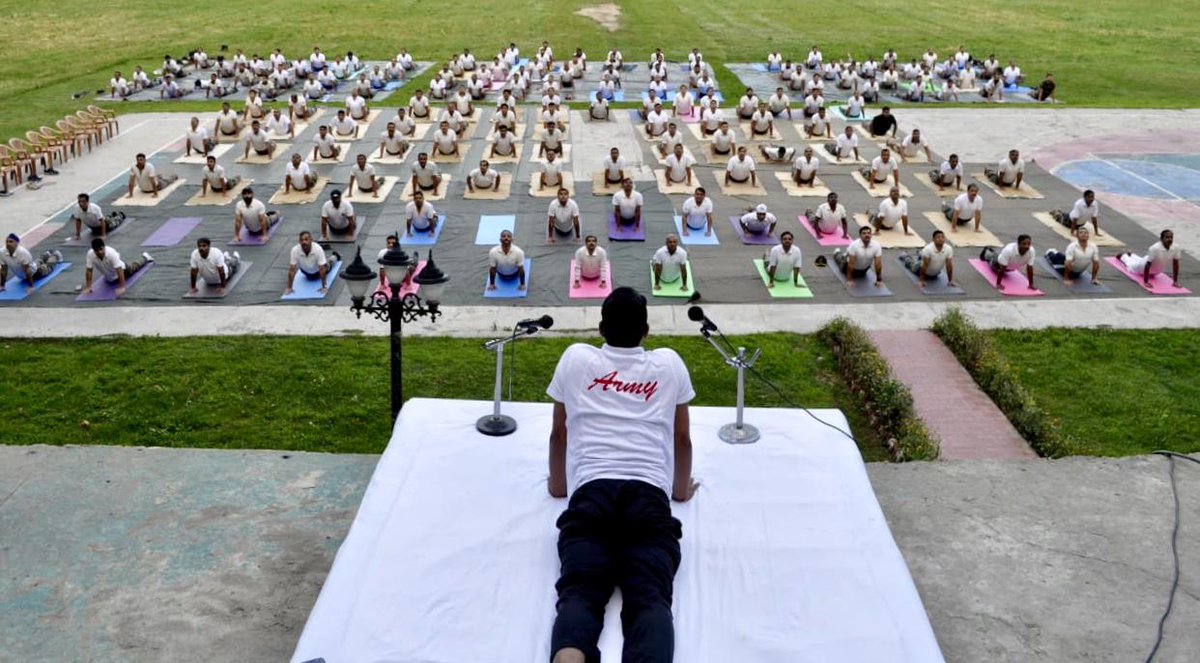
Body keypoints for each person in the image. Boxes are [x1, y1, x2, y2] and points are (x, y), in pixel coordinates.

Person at [546, 285, 696, 663]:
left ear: (600, 329)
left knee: (580, 592)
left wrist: (558, 486)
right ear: (646, 331)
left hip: (591, 495)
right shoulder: (669, 364)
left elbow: (559, 433)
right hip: (648, 499)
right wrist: (680, 491)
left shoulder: (576, 358)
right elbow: (681, 438)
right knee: (650, 598)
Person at [83, 238, 152, 297]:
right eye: (96, 251)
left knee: (133, 267)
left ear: (104, 247)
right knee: (109, 274)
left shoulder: (111, 253)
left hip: (123, 271)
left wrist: (122, 287)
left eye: (101, 249)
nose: (99, 252)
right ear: (93, 250)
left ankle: (146, 257)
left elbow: (119, 270)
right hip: (109, 276)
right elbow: (89, 270)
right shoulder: (90, 254)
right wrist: (88, 287)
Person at [286, 231, 337, 295]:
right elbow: (292, 270)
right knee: (320, 263)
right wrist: (289, 288)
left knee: (328, 264)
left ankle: (335, 256)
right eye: (301, 240)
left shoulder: (318, 249)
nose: (304, 242)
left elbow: (322, 269)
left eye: (306, 239)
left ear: (311, 240)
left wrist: (324, 287)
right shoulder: (294, 250)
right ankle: (323, 259)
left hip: (318, 271)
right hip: (306, 272)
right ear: (299, 241)